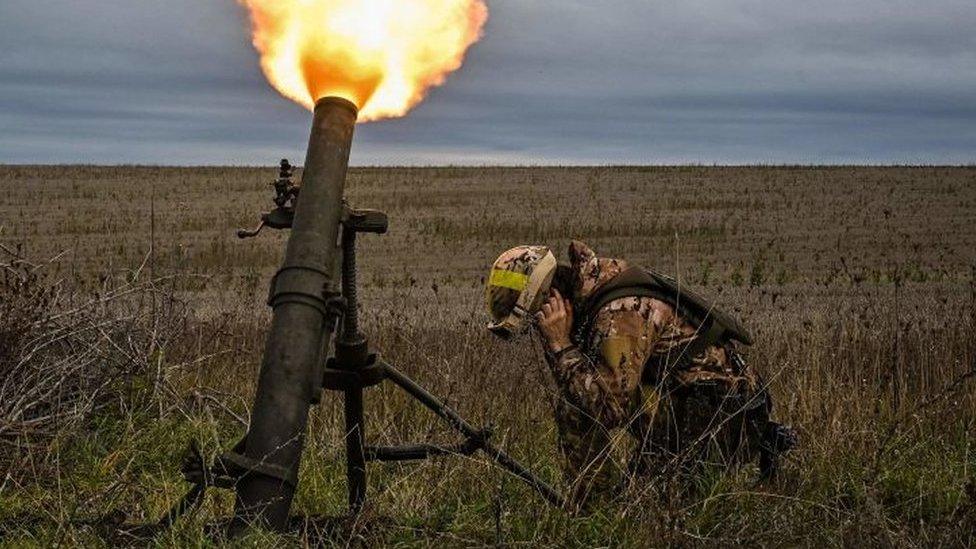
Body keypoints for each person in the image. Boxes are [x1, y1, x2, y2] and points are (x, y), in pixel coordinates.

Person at [485, 241, 795, 510]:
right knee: (632, 492)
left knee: (642, 505)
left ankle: (594, 514)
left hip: (722, 418)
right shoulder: (593, 295)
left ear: (550, 300)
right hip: (689, 410)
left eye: (534, 323)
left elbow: (606, 409)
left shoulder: (620, 313)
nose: (536, 332)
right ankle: (607, 505)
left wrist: (560, 347)